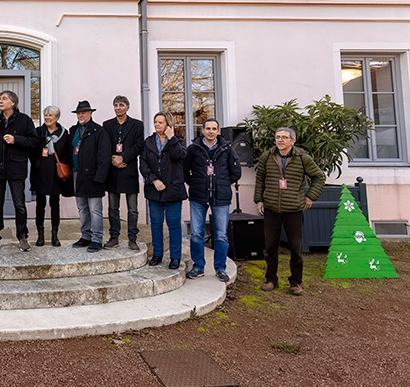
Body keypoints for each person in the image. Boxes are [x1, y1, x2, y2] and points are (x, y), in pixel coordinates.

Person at [254, 127, 325, 296]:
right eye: (278, 137)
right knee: (270, 247)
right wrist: (259, 200)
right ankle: (271, 279)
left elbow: (319, 177)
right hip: (271, 208)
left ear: (292, 141)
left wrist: (310, 197)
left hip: (293, 209)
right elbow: (260, 179)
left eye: (284, 137)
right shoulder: (267, 156)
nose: (280, 140)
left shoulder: (302, 158)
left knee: (296, 247)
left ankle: (295, 282)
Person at [184, 118, 242, 282]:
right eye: (207, 128)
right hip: (198, 197)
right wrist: (195, 183)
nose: (210, 131)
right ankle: (198, 266)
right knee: (196, 234)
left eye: (214, 128)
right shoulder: (193, 149)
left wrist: (223, 183)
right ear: (202, 131)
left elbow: (236, 172)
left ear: (218, 131)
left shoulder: (227, 149)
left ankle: (220, 268)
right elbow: (184, 170)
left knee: (221, 235)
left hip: (221, 197)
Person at [0, 90, 38, 252]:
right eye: (0, 98)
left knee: (19, 204)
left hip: (16, 168)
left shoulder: (24, 120)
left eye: (4, 99)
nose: (1, 101)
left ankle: (22, 236)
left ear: (13, 103)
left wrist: (16, 139)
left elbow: (34, 142)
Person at [139, 111, 187, 269]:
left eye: (160, 122)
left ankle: (175, 256)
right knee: (156, 223)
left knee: (173, 224)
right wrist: (153, 180)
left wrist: (171, 138)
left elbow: (178, 156)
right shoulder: (149, 142)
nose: (157, 125)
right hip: (154, 190)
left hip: (173, 190)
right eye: (156, 122)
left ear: (168, 124)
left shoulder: (177, 141)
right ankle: (157, 254)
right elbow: (143, 164)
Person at [102, 95, 144, 251]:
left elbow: (139, 146)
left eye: (121, 105)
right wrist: (113, 158)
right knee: (113, 208)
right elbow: (104, 145)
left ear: (127, 107)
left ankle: (132, 238)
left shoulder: (137, 125)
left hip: (129, 169)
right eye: (115, 105)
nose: (118, 108)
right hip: (112, 170)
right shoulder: (107, 125)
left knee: (132, 209)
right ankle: (114, 237)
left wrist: (123, 157)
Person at [69, 100, 111, 253]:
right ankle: (85, 236)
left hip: (94, 177)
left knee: (95, 210)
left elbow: (104, 157)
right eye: (79, 112)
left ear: (91, 113)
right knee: (82, 208)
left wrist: (100, 178)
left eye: (84, 112)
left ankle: (97, 239)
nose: (81, 115)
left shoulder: (99, 131)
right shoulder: (73, 130)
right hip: (77, 175)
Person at [30, 105, 74, 247]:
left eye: (51, 115)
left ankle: (55, 236)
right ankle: (41, 236)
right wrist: (37, 163)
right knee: (40, 205)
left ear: (57, 118)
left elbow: (67, 153)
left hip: (56, 174)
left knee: (55, 205)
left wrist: (64, 166)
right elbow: (32, 150)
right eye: (46, 115)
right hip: (40, 173)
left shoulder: (64, 133)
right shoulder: (38, 132)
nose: (48, 118)